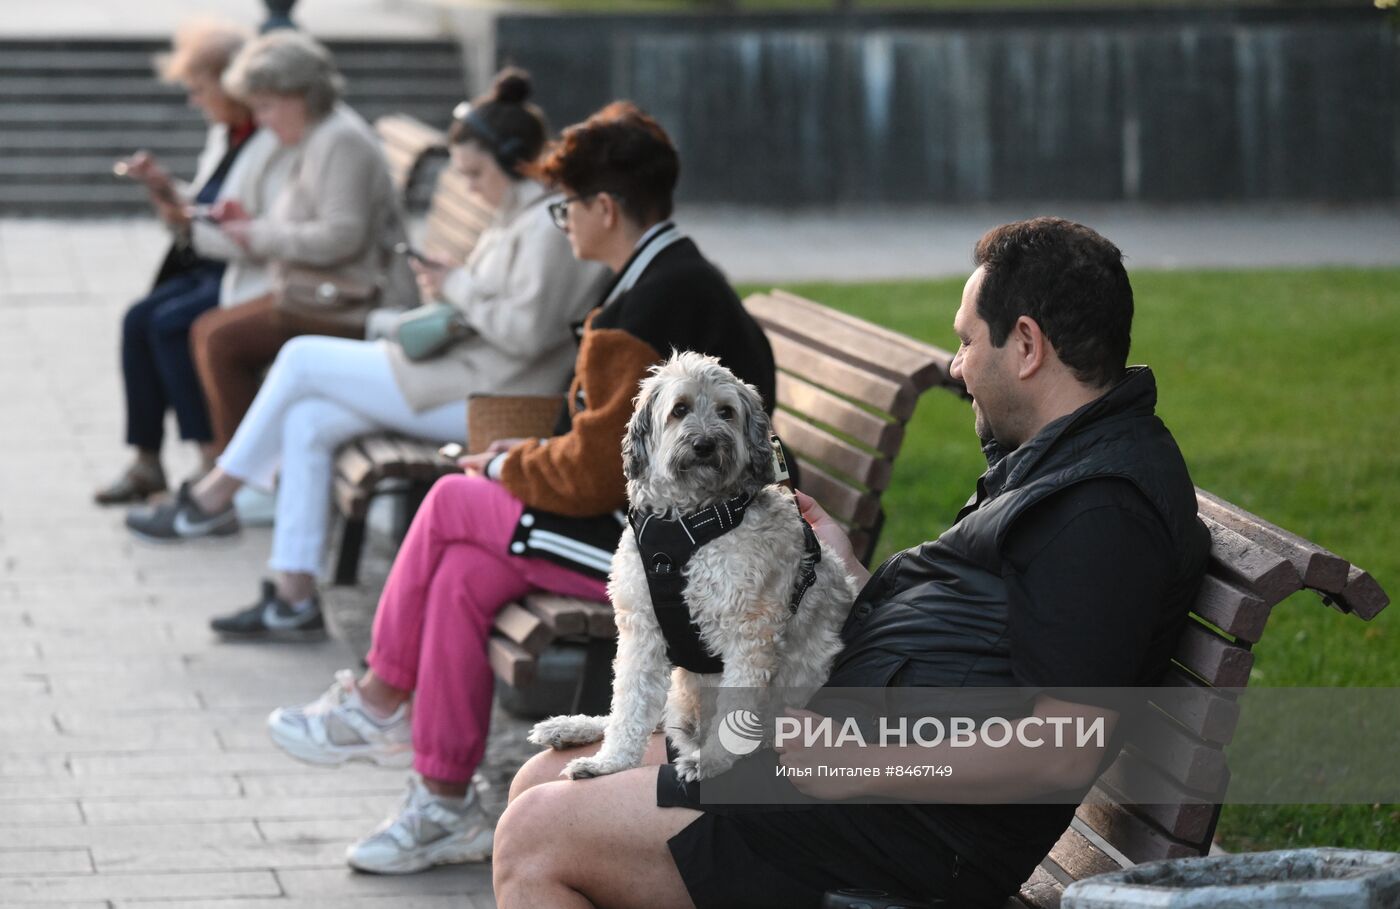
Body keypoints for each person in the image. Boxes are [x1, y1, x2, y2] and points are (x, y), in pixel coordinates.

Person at [492, 217, 1212, 909]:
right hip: (848, 766)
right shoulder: (1064, 461)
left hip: (893, 826)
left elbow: (1058, 745)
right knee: (541, 777)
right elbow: (983, 641)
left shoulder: (1103, 513)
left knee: (537, 837)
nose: (958, 368)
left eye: (966, 342)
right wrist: (854, 580)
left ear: (1026, 345)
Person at [261, 102, 778, 875]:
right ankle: (441, 801)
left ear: (605, 208)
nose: (560, 220)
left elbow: (598, 473)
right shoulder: (671, 276)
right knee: (467, 572)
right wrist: (529, 451)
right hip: (671, 528)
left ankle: (375, 699)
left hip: (683, 554)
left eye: (565, 205)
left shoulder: (648, 304)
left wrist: (505, 468)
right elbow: (603, 445)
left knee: (452, 500)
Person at [125, 69, 610, 638]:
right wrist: (443, 293)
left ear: (513, 161)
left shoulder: (545, 228)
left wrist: (455, 285)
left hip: (490, 397)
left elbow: (527, 333)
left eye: (477, 174)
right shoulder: (518, 217)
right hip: (461, 376)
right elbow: (492, 311)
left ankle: (214, 496)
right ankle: (292, 596)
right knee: (307, 419)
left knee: (302, 358)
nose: (473, 188)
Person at [190, 30, 415, 456]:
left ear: (301, 95)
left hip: (357, 299)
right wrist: (249, 222)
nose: (262, 119)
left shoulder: (339, 140)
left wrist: (255, 234)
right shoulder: (319, 134)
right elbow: (311, 221)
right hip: (323, 289)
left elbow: (341, 237)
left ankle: (244, 477)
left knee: (221, 341)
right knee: (209, 330)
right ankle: (236, 469)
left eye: (267, 105)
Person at [96, 18, 293, 505]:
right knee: (137, 318)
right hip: (215, 262)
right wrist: (166, 191)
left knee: (170, 323)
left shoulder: (269, 140)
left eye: (200, 89)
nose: (194, 101)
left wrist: (189, 221)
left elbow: (253, 230)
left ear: (231, 85)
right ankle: (147, 459)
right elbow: (208, 206)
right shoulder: (227, 133)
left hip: (247, 272)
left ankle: (211, 457)